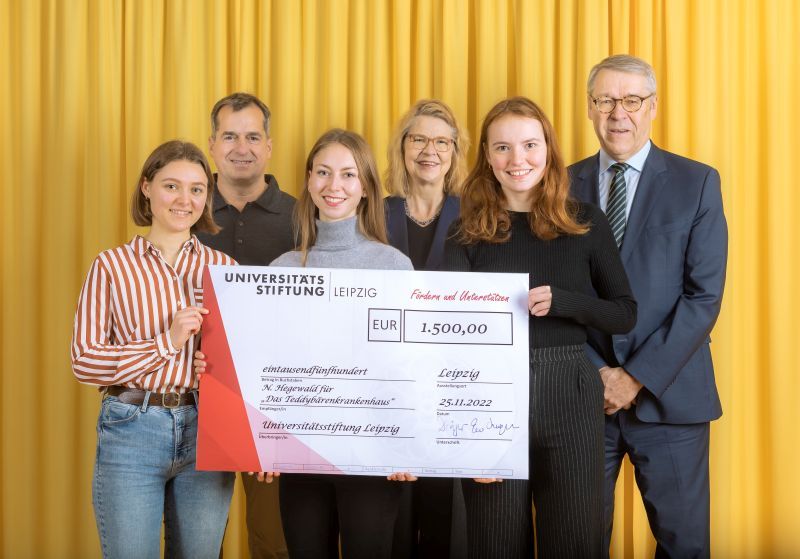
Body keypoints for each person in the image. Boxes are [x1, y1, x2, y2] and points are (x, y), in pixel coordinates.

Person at [443, 96, 637, 558]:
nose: (518, 160)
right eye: (503, 148)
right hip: (487, 397)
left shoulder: (586, 223)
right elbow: (447, 342)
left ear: (548, 149)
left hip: (569, 391)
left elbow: (624, 312)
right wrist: (467, 435)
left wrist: (566, 302)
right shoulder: (465, 232)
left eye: (529, 144)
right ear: (487, 157)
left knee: (574, 541)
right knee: (494, 544)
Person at [569, 54, 728, 558]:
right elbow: (546, 291)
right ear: (590, 109)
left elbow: (703, 297)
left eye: (631, 100)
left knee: (685, 547)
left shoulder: (696, 182)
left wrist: (633, 377)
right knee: (574, 543)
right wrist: (598, 374)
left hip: (670, 398)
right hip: (581, 398)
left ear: (652, 107)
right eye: (606, 100)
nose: (619, 113)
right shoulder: (558, 185)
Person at [70, 140, 235, 559]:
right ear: (147, 187)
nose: (185, 200)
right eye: (171, 186)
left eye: (197, 189)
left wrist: (213, 367)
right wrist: (167, 343)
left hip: (207, 431)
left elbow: (244, 367)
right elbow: (85, 361)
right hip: (131, 427)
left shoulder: (226, 270)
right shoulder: (110, 266)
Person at [269, 128, 415, 559]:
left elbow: (406, 366)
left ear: (367, 186)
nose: (335, 186)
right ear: (309, 181)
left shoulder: (394, 266)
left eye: (348, 175)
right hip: (301, 456)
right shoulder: (281, 268)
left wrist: (408, 444)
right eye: (324, 173)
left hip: (372, 456)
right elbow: (267, 362)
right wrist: (260, 443)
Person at [195, 92, 295, 559]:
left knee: (272, 540)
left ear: (269, 146)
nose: (242, 147)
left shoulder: (303, 216)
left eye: (253, 136)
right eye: (230, 136)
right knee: (198, 539)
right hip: (193, 395)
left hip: (274, 400)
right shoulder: (185, 209)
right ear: (212, 144)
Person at [384, 99, 469, 559]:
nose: (429, 150)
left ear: (454, 152)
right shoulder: (373, 214)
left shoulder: (477, 215)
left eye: (441, 141)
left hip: (450, 393)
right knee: (390, 523)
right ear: (403, 147)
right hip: (385, 393)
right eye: (418, 138)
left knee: (445, 522)